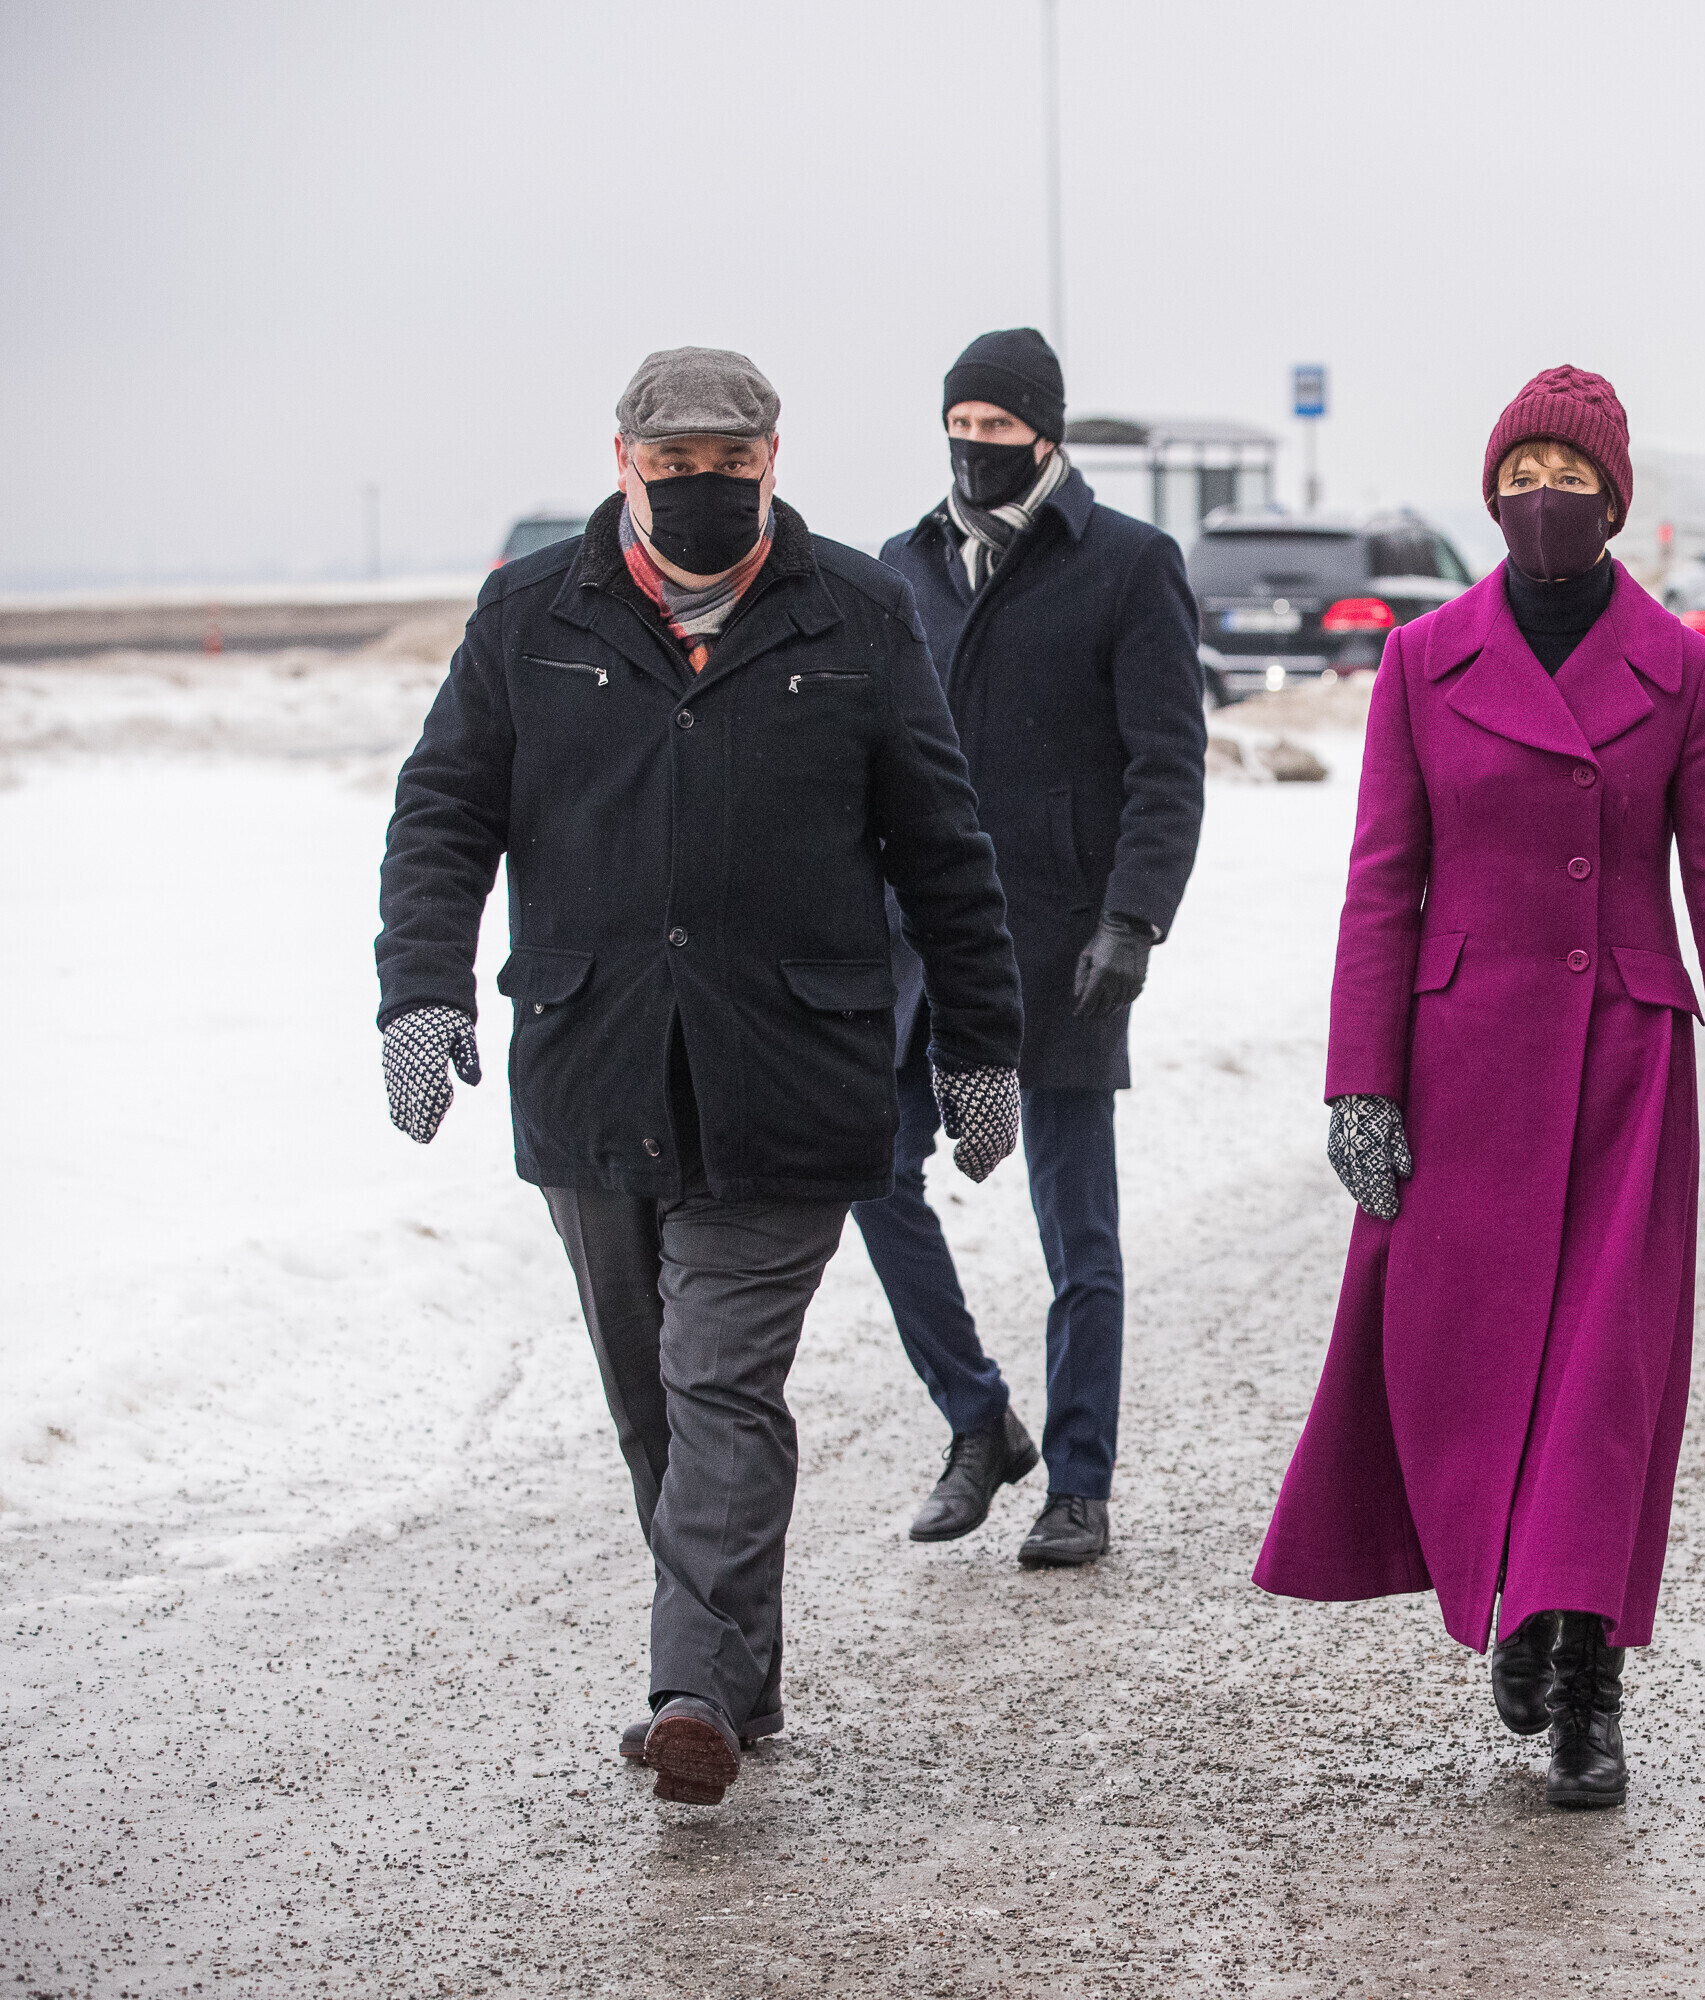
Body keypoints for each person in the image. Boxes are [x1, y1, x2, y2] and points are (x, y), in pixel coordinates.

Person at [375, 347, 1024, 1808]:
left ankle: (688, 1694)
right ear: (624, 464)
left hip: (789, 1071)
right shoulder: (529, 614)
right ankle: (739, 1671)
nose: (702, 492)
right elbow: (444, 813)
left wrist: (981, 1044)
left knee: (718, 1380)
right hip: (594, 1066)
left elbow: (943, 845)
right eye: (674, 470)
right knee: (651, 1408)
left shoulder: (858, 611)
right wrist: (419, 990)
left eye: (729, 468)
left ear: (773, 460)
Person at [1254, 366, 1705, 1810]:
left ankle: (1586, 1679)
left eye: (1572, 476)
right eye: (1523, 472)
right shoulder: (1421, 660)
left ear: (1614, 500)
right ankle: (1512, 1584)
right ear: (1492, 490)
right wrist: (1361, 1084)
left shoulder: (1684, 670)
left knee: (1605, 1378)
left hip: (1626, 1066)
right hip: (1462, 1070)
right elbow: (1383, 883)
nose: (1544, 496)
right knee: (1472, 1359)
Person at [865, 328, 1207, 1568]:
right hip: (919, 947)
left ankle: (1078, 1480)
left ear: (1045, 434)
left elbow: (1168, 762)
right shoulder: (901, 568)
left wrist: (1134, 916)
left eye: (998, 428)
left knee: (1078, 1230)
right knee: (871, 1171)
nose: (975, 447)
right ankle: (978, 1417)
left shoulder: (1127, 563)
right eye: (959, 425)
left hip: (1062, 942)